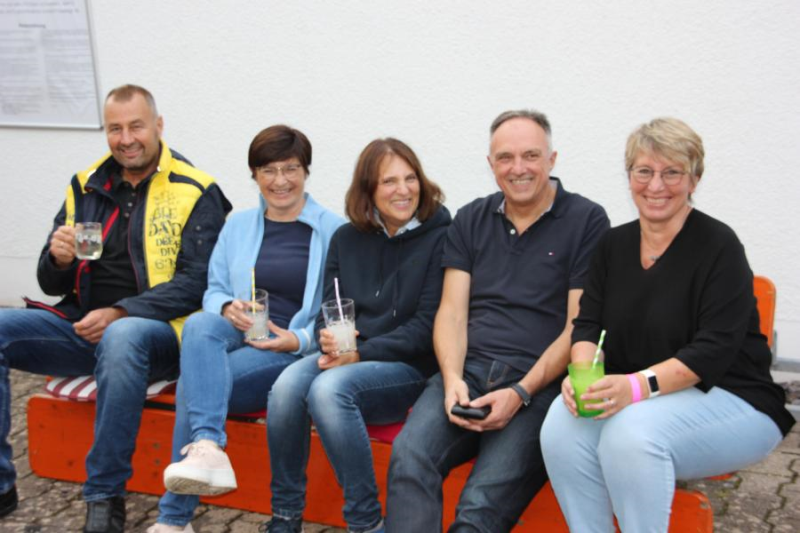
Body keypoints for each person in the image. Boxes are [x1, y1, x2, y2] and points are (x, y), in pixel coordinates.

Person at [539, 117, 795, 533]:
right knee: (560, 426)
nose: (656, 185)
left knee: (630, 435)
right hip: (644, 399)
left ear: (694, 179)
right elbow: (587, 325)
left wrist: (635, 387)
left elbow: (711, 351)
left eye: (672, 172)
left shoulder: (719, 246)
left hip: (732, 398)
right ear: (629, 176)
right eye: (644, 171)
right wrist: (584, 377)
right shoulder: (612, 245)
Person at [0, 85, 231, 532]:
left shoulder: (195, 189)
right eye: (115, 129)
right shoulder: (85, 185)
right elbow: (50, 282)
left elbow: (200, 282)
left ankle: (104, 494)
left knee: (123, 336)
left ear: (158, 126)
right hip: (85, 326)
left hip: (161, 335)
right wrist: (58, 260)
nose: (126, 139)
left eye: (136, 126)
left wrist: (122, 312)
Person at [385, 110, 610, 532]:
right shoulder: (471, 218)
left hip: (539, 387)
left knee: (480, 507)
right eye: (505, 157)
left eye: (531, 155)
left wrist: (521, 392)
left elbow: (578, 326)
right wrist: (452, 378)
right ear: (491, 164)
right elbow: (451, 313)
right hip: (468, 374)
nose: (518, 168)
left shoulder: (587, 220)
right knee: (410, 457)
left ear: (552, 159)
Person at [147, 125, 344, 532]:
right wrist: (226, 306)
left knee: (192, 387)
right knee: (201, 322)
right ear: (254, 175)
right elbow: (214, 289)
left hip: (286, 349)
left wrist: (299, 338)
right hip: (239, 332)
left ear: (306, 171)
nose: (280, 180)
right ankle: (208, 446)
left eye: (290, 168)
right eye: (268, 170)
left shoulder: (333, 230)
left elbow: (339, 306)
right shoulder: (236, 226)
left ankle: (175, 518)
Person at [263, 138, 451, 533]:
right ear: (368, 190)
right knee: (285, 387)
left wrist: (360, 354)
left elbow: (427, 327)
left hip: (409, 366)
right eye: (389, 181)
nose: (403, 190)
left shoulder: (442, 237)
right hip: (350, 357)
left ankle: (365, 524)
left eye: (410, 178)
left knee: (328, 391)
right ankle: (285, 515)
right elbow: (327, 310)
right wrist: (329, 339)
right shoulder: (346, 239)